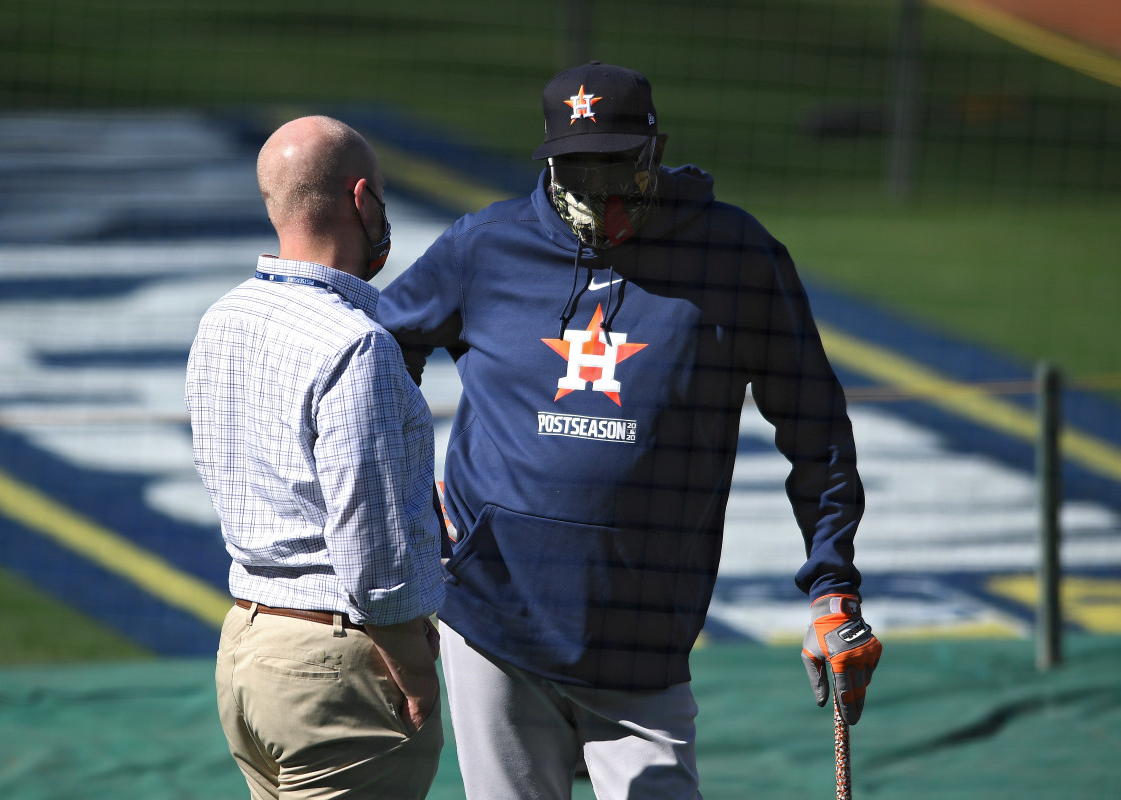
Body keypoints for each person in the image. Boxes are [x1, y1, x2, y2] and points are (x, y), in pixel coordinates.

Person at [378, 62, 882, 799]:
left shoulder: (735, 255)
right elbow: (381, 355)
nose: (601, 188)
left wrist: (832, 586)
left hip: (643, 641)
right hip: (491, 619)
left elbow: (817, 427)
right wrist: (412, 510)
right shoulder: (484, 247)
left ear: (655, 151)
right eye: (578, 168)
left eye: (617, 165)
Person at [185, 115, 445, 800]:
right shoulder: (358, 346)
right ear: (363, 200)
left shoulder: (223, 317)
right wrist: (415, 672)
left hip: (245, 645)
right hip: (339, 664)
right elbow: (373, 554)